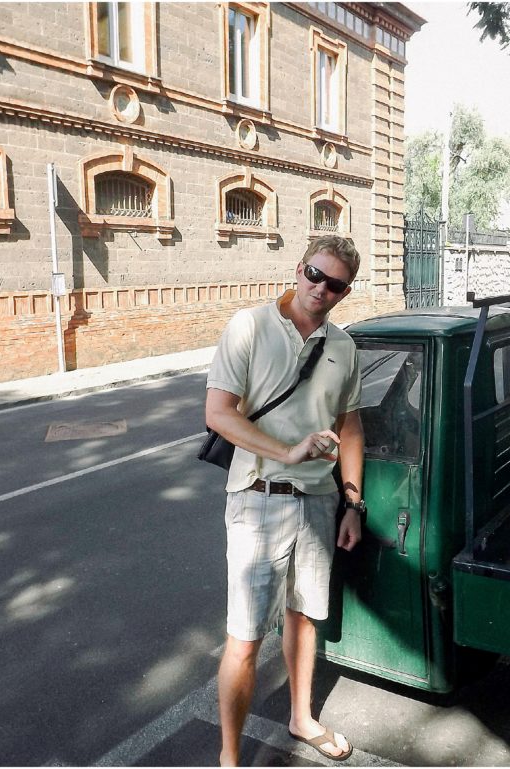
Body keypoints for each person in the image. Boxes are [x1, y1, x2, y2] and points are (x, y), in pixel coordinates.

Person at [205, 235, 365, 766]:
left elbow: (351, 424)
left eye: (335, 284)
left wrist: (352, 501)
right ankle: (229, 758)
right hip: (258, 500)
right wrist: (287, 452)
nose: (321, 289)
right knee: (245, 638)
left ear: (345, 292)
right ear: (299, 269)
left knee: (303, 618)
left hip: (319, 502)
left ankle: (301, 718)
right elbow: (220, 414)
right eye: (315, 275)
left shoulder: (343, 347)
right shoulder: (249, 326)